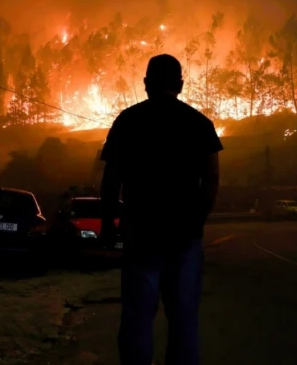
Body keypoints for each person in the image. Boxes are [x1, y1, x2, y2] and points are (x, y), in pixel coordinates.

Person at [99, 54, 223, 365]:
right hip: (184, 236)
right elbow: (211, 179)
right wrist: (197, 221)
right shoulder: (199, 124)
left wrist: (108, 224)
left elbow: (111, 179)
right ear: (180, 84)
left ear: (146, 84)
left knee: (138, 317)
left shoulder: (128, 121)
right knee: (183, 320)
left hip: (141, 233)